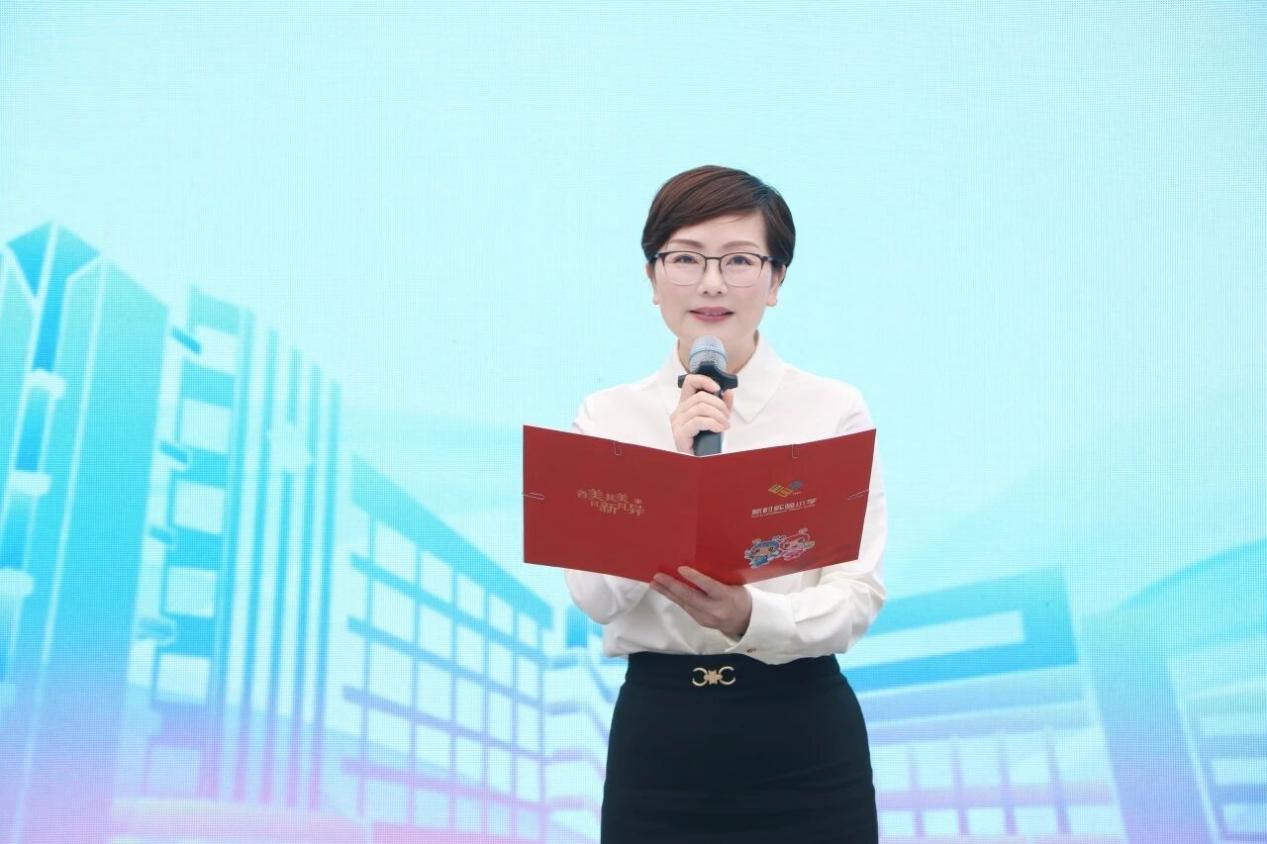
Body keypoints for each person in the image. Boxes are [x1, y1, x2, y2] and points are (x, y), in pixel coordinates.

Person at [564, 165, 886, 843]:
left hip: (802, 735)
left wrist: (751, 616)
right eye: (685, 259)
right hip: (660, 739)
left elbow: (856, 595)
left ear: (776, 280)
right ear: (652, 278)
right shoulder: (607, 417)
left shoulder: (832, 410)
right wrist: (672, 469)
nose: (711, 283)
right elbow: (594, 597)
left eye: (739, 260)